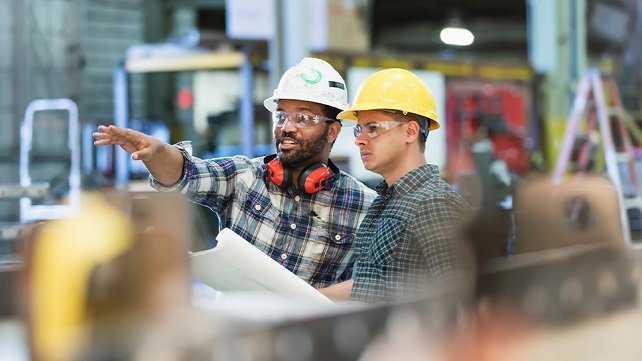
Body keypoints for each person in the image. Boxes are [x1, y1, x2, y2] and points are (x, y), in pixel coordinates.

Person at [93, 58, 376, 288]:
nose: (286, 127)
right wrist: (156, 152)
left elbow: (370, 287)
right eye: (281, 116)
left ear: (333, 130)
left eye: (302, 117)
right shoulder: (244, 177)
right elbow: (185, 173)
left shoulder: (363, 206)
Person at [319, 68, 474, 303]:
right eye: (360, 129)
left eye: (373, 128)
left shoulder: (433, 204)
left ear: (410, 132)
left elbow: (463, 296)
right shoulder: (385, 201)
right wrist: (302, 298)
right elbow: (369, 284)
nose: (359, 139)